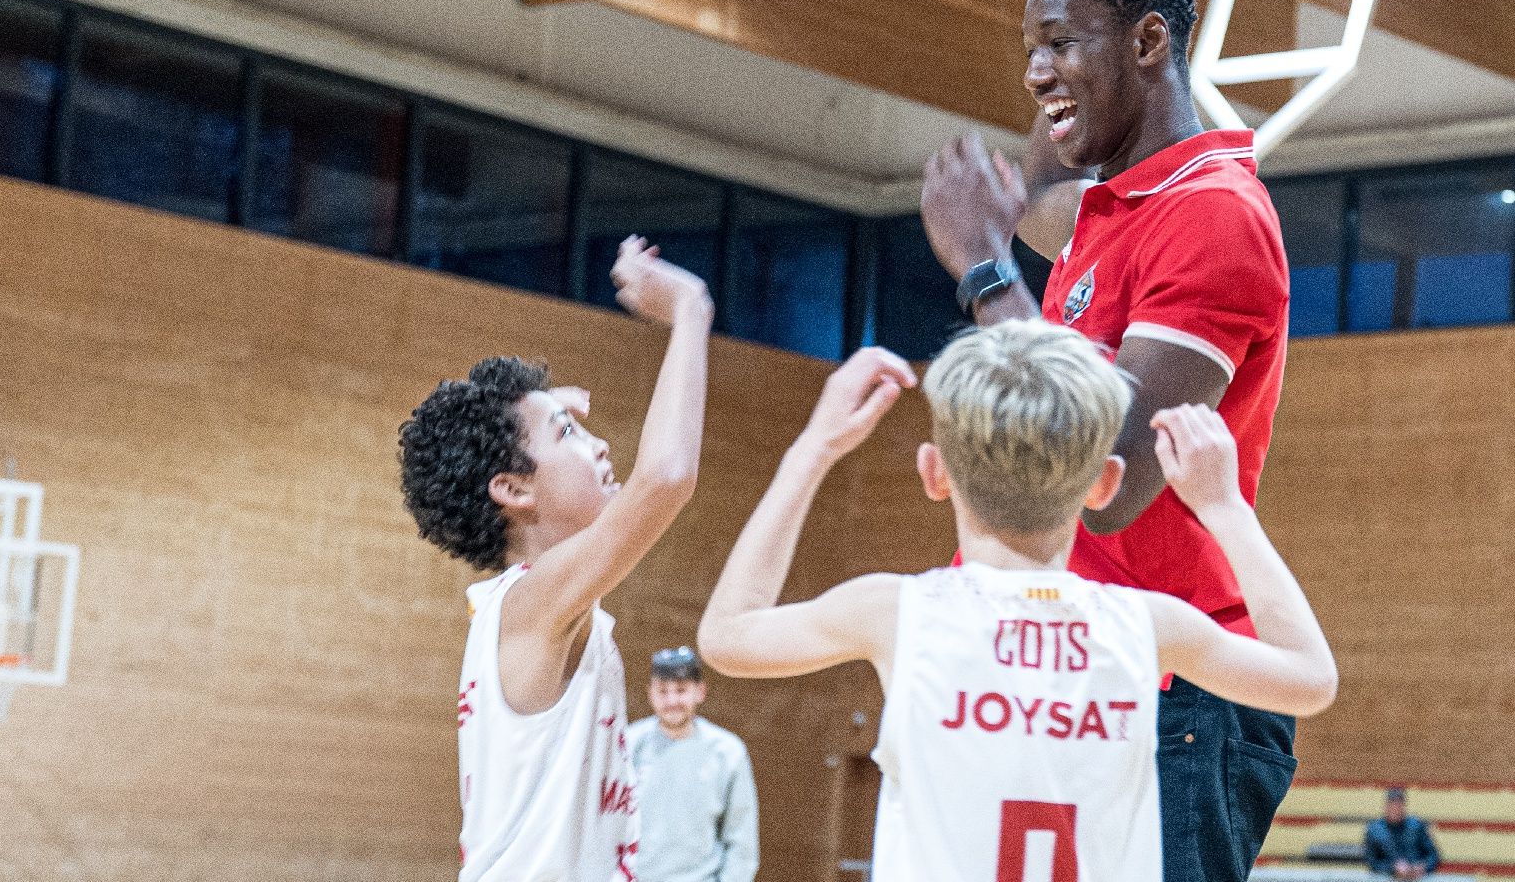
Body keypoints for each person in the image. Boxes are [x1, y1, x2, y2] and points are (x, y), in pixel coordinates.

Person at [919, 0, 1295, 882]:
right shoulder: (1114, 209)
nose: (1039, 70)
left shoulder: (1214, 213)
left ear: (1148, 43)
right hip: (1074, 666)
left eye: (1062, 43)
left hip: (1177, 694)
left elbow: (1109, 472)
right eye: (1030, 50)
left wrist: (984, 270)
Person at [696, 320, 1337, 881]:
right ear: (1105, 484)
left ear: (933, 471)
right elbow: (1310, 680)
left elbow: (726, 636)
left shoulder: (896, 613)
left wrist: (813, 448)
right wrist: (1223, 508)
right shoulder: (1145, 626)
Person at [399, 236, 713, 881]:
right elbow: (666, 478)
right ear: (512, 489)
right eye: (570, 435)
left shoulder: (533, 607)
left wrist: (549, 417)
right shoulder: (529, 604)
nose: (600, 445)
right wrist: (690, 306)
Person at [627, 646, 759, 882]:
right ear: (650, 693)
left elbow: (742, 840)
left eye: (681, 690)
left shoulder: (727, 752)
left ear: (700, 691)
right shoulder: (628, 744)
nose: (671, 700)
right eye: (662, 691)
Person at [1364, 787, 1441, 879]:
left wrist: (1423, 867)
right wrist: (1392, 868)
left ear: (1404, 806)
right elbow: (1372, 862)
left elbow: (1433, 855)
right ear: (1385, 806)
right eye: (1392, 805)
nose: (1395, 809)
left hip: (1417, 878)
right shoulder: (1374, 830)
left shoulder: (1416, 826)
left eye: (1399, 805)